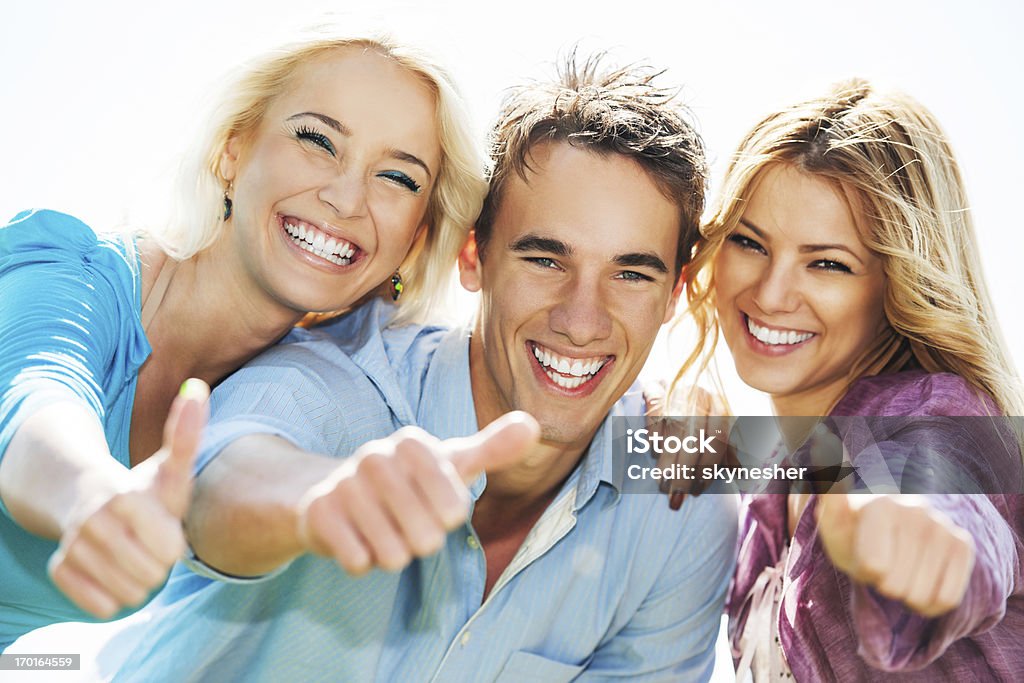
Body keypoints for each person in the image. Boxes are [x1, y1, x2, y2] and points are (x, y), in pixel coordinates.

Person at [104, 55, 737, 681]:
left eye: (630, 274)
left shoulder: (685, 496)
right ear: (473, 257)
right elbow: (225, 479)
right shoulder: (335, 375)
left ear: (673, 296)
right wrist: (317, 500)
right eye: (545, 260)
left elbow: (822, 461)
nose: (581, 319)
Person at [0, 32, 485, 648]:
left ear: (415, 240)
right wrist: (90, 497)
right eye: (317, 141)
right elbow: (36, 396)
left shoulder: (331, 388)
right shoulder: (68, 270)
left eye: (396, 177)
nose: (345, 196)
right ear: (232, 152)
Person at [672, 78, 1024, 679]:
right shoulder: (786, 467)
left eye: (828, 263)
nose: (772, 293)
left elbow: (948, 491)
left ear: (897, 286)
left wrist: (925, 530)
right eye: (750, 243)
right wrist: (669, 424)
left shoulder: (943, 416)